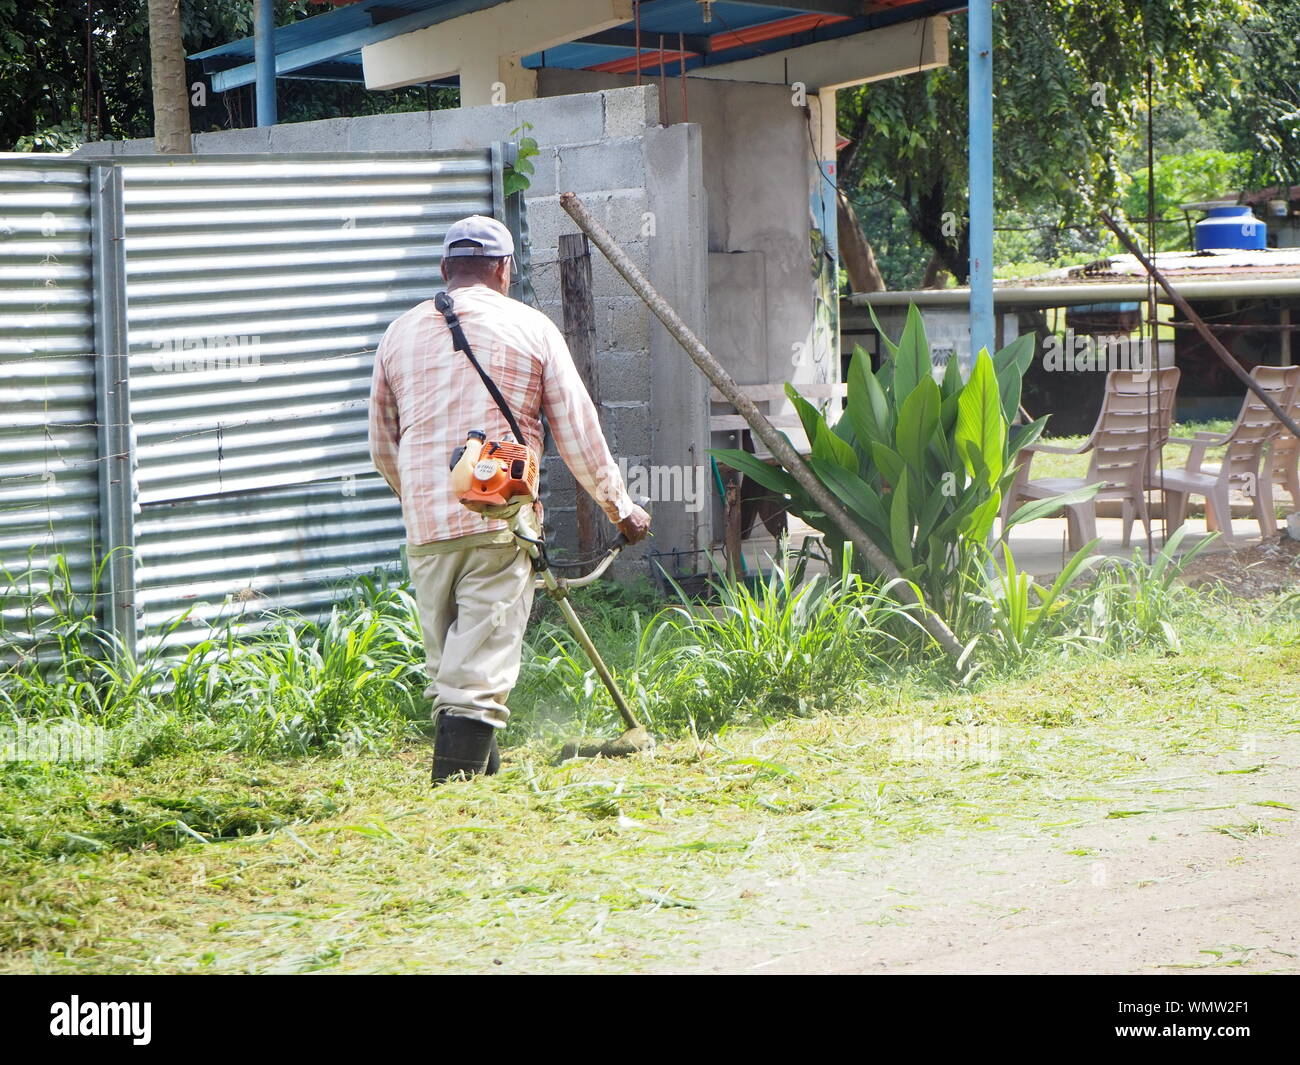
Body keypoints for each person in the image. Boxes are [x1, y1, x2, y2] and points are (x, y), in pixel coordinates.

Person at [369, 215, 651, 784]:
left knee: (453, 665)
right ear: (504, 270)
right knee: (476, 673)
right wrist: (621, 509)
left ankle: (479, 786)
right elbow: (577, 431)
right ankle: (457, 803)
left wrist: (422, 499)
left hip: (426, 527)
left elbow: (381, 443)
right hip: (500, 518)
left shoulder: (398, 334)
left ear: (446, 270)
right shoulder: (531, 327)